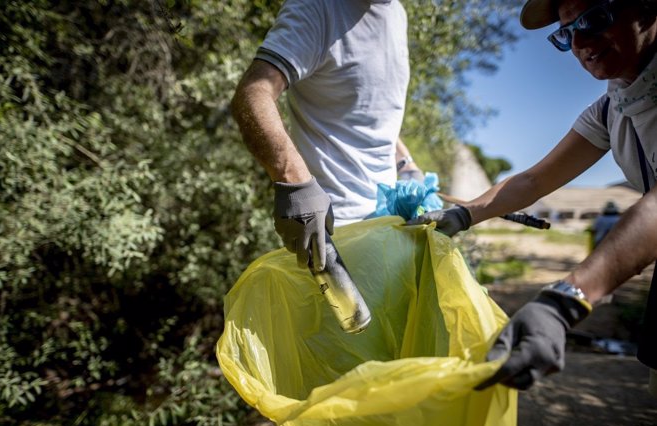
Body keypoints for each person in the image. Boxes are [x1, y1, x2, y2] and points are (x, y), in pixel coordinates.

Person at [409, 0, 657, 390]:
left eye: (594, 19)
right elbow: (533, 182)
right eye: (566, 33)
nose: (579, 41)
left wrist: (565, 301)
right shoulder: (613, 109)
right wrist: (464, 215)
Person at [231, 0, 423, 272]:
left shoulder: (397, 14)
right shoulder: (316, 7)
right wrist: (294, 183)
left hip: (391, 228)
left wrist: (407, 166)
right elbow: (252, 94)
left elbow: (370, 108)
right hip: (333, 237)